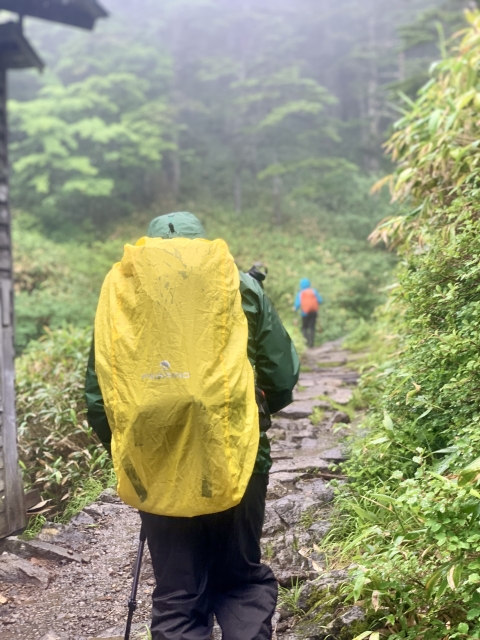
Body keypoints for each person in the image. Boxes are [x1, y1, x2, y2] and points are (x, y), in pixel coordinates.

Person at [85, 212, 299, 640]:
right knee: (239, 580)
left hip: (155, 463)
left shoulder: (122, 290)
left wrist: (131, 448)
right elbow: (281, 373)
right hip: (236, 455)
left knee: (178, 593)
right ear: (202, 242)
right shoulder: (239, 282)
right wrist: (257, 414)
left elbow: (101, 391)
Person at [294, 278, 323, 348]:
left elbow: (297, 305)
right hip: (314, 312)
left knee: (304, 327)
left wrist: (295, 308)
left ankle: (306, 342)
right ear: (309, 284)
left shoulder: (300, 293)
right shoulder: (314, 291)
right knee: (312, 327)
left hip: (305, 313)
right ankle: (311, 343)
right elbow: (320, 301)